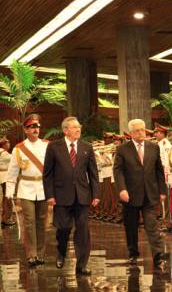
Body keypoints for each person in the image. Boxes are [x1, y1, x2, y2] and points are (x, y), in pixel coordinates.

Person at [43, 116, 100, 276]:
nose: (78, 130)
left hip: (82, 195)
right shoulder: (54, 147)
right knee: (64, 228)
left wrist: (96, 193)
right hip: (61, 196)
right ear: (65, 130)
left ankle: (81, 265)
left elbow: (93, 173)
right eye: (74, 127)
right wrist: (50, 195)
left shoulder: (86, 147)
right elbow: (47, 174)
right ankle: (61, 252)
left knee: (83, 230)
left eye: (79, 127)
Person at [113, 119, 169, 267]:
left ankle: (158, 255)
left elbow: (159, 170)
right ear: (131, 133)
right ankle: (133, 253)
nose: (141, 133)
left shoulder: (153, 147)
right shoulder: (123, 149)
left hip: (150, 193)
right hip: (130, 195)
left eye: (143, 129)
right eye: (137, 130)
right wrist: (122, 189)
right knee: (131, 227)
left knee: (152, 225)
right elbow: (118, 171)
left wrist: (162, 190)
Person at [6, 115, 48, 267]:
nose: (35, 129)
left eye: (36, 126)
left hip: (43, 188)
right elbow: (12, 171)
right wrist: (10, 190)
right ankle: (31, 255)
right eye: (31, 127)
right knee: (29, 222)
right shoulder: (19, 149)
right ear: (25, 130)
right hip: (26, 189)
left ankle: (41, 254)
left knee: (41, 222)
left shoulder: (47, 145)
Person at [0, 136, 14, 229]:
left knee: (6, 198)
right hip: (5, 177)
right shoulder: (3, 153)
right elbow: (15, 159)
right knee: (7, 198)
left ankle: (5, 218)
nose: (9, 144)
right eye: (7, 143)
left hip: (4, 177)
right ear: (3, 145)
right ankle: (5, 219)